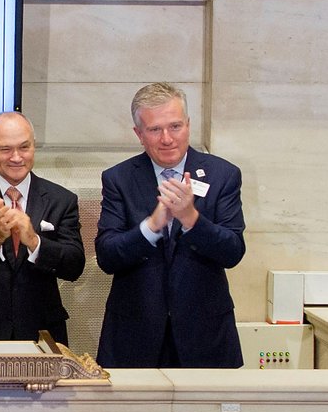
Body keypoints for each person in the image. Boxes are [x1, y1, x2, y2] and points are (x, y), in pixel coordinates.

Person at [95, 82, 246, 368]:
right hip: (135, 338)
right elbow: (107, 256)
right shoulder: (119, 179)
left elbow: (233, 251)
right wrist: (151, 226)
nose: (167, 139)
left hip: (205, 338)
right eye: (154, 130)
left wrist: (191, 219)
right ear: (139, 134)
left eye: (175, 126)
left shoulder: (223, 175)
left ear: (188, 125)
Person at [0, 111, 86, 343]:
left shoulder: (61, 199)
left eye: (24, 147)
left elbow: (74, 266)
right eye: (5, 149)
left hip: (42, 330)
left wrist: (35, 242)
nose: (16, 157)